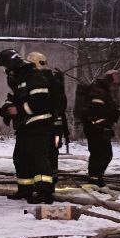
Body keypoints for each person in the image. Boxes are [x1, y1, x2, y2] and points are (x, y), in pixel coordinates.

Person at [0, 48, 57, 203]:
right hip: (26, 124)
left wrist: (19, 110)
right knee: (21, 157)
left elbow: (41, 101)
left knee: (38, 158)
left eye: (5, 66)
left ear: (11, 63)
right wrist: (7, 108)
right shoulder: (20, 77)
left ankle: (45, 193)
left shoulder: (33, 76)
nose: (5, 70)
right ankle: (25, 190)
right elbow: (16, 97)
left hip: (39, 123)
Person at [74, 69, 120, 188]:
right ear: (109, 81)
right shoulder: (98, 91)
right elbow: (97, 111)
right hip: (95, 128)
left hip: (100, 127)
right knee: (99, 154)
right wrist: (108, 119)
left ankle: (97, 177)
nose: (115, 88)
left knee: (105, 154)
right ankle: (94, 180)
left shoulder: (102, 91)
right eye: (114, 85)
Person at [27, 51, 69, 185]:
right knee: (53, 151)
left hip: (42, 126)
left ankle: (43, 182)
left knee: (40, 153)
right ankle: (52, 178)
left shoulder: (38, 81)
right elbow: (62, 104)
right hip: (56, 125)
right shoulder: (55, 80)